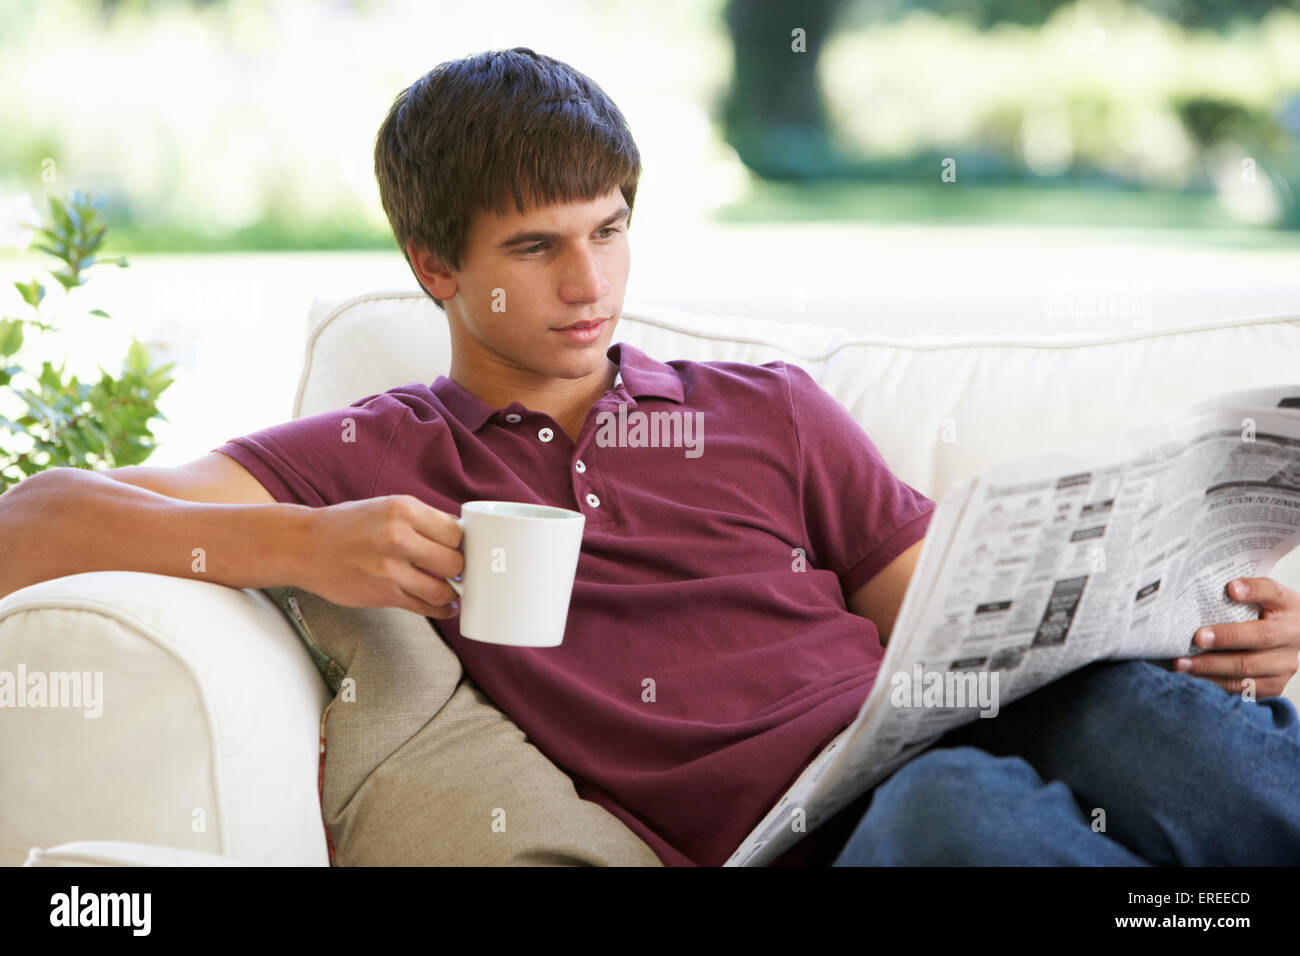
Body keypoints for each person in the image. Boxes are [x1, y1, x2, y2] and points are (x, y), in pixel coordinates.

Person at [4, 48, 1298, 867]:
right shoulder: (380, 451)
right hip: (826, 835)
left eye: (611, 231)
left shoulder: (765, 409)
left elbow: (949, 624)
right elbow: (32, 523)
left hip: (941, 735)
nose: (590, 284)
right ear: (434, 268)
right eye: (536, 248)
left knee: (1138, 718)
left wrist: (1200, 625)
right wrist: (299, 544)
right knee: (950, 814)